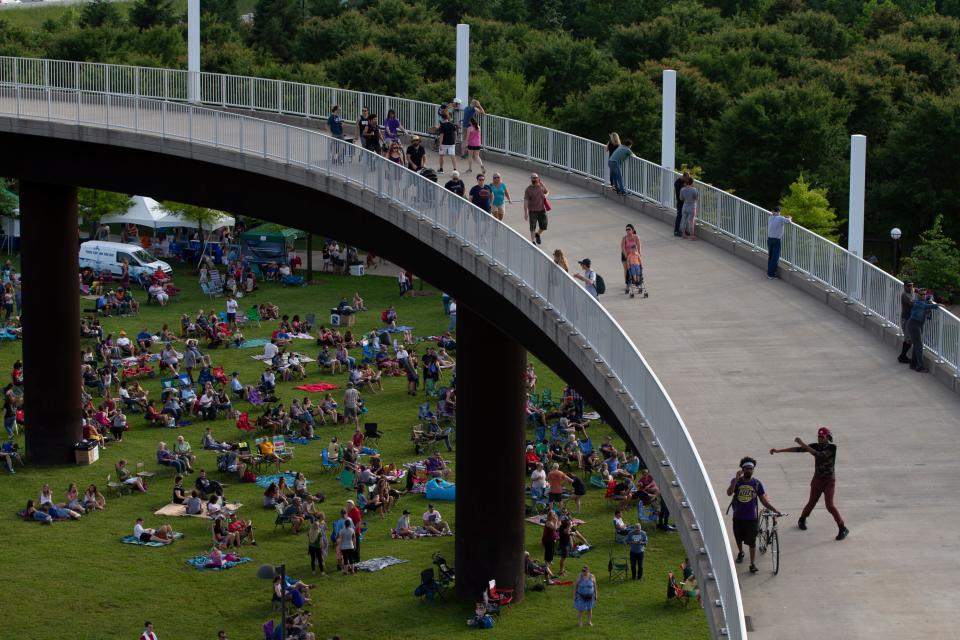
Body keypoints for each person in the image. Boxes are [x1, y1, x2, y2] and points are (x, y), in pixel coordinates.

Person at [770, 426, 848, 540]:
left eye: (822, 436)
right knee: (811, 502)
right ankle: (802, 519)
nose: (820, 438)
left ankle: (842, 528)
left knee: (830, 505)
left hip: (829, 481)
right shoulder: (815, 446)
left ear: (827, 437)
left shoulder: (832, 448)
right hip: (817, 479)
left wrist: (803, 443)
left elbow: (819, 455)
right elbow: (798, 449)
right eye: (819, 436)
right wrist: (779, 450)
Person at [726, 457, 780, 574]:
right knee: (738, 538)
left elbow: (763, 501)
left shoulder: (756, 483)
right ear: (742, 469)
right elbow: (729, 492)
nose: (749, 471)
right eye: (746, 469)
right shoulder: (737, 481)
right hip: (738, 517)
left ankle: (752, 564)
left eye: (751, 469)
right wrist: (736, 479)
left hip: (751, 518)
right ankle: (741, 552)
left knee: (752, 542)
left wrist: (775, 510)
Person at [906, 289, 939, 372]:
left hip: (920, 325)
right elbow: (925, 306)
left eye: (924, 294)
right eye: (921, 294)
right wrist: (937, 305)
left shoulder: (924, 299)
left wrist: (930, 298)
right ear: (918, 295)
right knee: (919, 346)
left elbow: (930, 296)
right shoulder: (917, 302)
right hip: (914, 324)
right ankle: (920, 366)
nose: (923, 296)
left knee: (916, 345)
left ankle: (913, 364)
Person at [766, 207, 792, 279]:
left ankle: (769, 272)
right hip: (776, 240)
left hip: (769, 239)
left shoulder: (770, 218)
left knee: (771, 256)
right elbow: (789, 221)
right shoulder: (781, 218)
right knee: (775, 257)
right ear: (778, 212)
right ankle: (771, 274)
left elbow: (776, 217)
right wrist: (789, 217)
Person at [523, 173, 549, 245]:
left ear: (538, 179)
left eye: (535, 178)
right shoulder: (528, 189)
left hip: (542, 210)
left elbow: (547, 192)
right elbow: (526, 201)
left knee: (544, 225)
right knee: (532, 226)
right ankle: (533, 241)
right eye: (533, 178)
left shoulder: (541, 187)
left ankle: (537, 234)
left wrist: (545, 195)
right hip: (532, 211)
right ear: (531, 179)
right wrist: (525, 213)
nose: (534, 179)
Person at [897, 281, 915, 364]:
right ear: (904, 286)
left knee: (908, 338)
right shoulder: (904, 295)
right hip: (906, 319)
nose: (910, 287)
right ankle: (902, 357)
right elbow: (912, 304)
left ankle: (902, 356)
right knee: (909, 339)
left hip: (910, 319)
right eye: (908, 286)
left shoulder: (911, 293)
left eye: (911, 286)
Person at [620, 224, 640, 291]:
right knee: (627, 270)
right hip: (625, 255)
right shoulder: (624, 238)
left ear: (633, 230)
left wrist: (639, 255)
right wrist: (626, 255)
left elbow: (639, 247)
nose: (628, 231)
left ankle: (636, 282)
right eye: (626, 229)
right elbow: (622, 248)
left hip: (634, 256)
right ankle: (627, 283)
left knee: (635, 268)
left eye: (629, 229)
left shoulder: (636, 237)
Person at [674, 171, 690, 236]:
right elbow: (678, 192)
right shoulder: (677, 183)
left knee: (686, 216)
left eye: (688, 178)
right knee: (679, 215)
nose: (687, 180)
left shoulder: (686, 182)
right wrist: (684, 187)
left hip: (686, 202)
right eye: (686, 178)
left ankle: (685, 230)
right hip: (680, 202)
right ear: (683, 176)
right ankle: (676, 231)